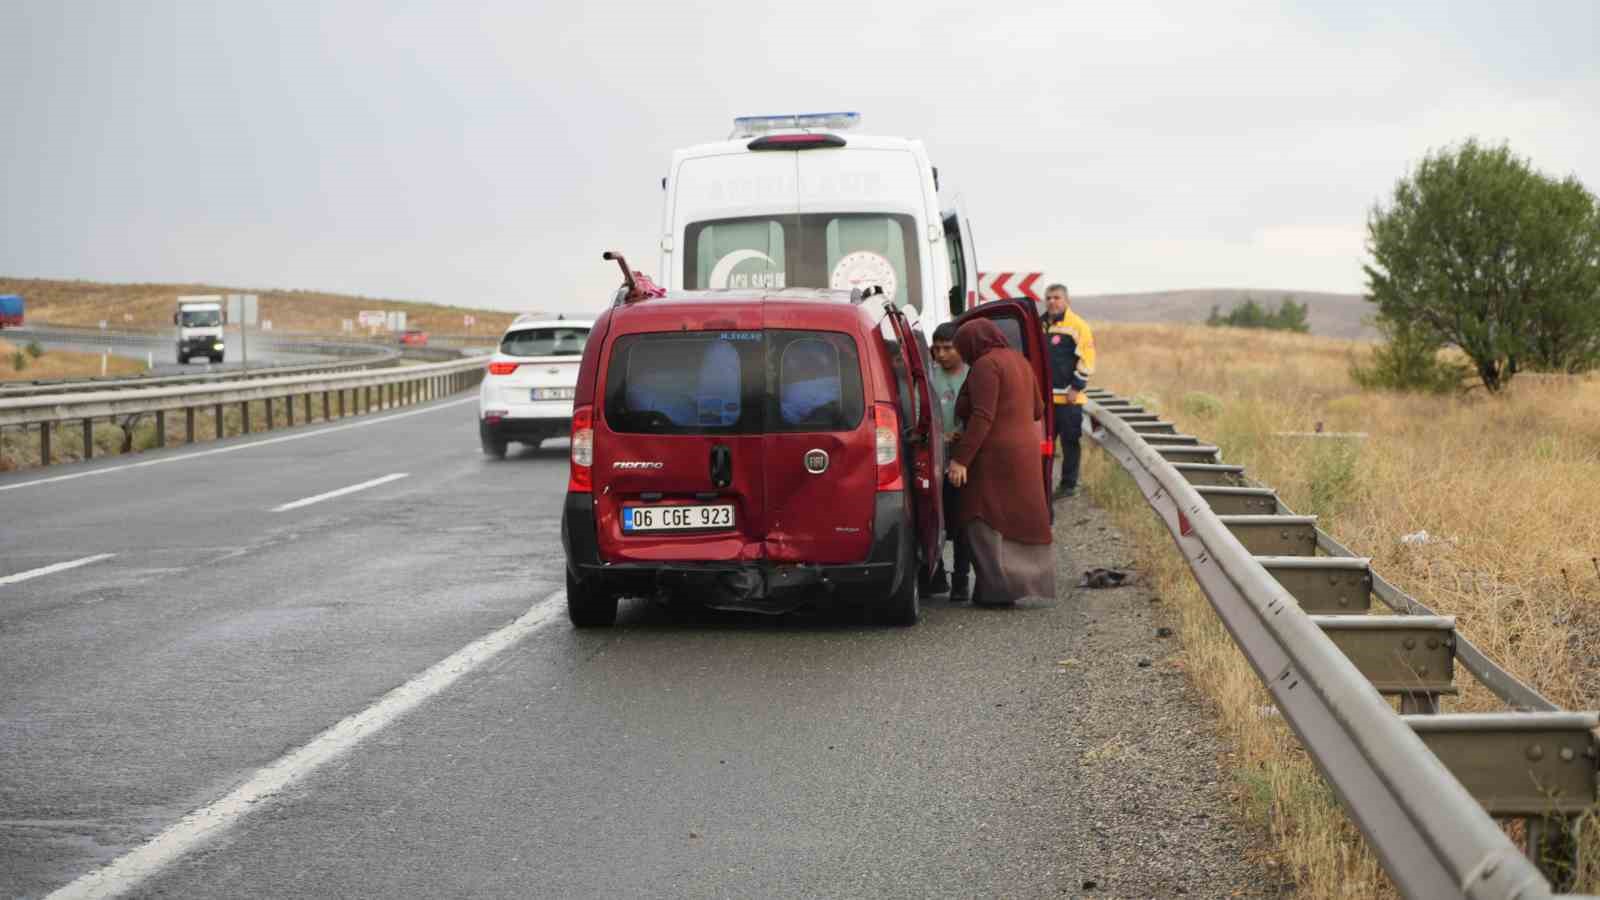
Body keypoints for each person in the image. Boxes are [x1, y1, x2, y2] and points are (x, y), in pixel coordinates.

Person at [946, 319, 1056, 607]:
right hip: (1025, 453)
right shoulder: (1020, 361)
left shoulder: (985, 365)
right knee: (1016, 516)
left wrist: (960, 460)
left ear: (974, 343)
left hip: (992, 456)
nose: (963, 353)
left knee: (981, 515)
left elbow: (983, 416)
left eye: (962, 347)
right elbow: (1037, 410)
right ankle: (1014, 584)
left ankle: (995, 590)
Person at [927, 322, 972, 602]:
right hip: (932, 459)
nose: (941, 354)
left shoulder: (972, 375)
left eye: (948, 348)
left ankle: (961, 580)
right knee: (934, 520)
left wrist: (960, 437)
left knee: (962, 523)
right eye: (937, 348)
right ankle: (935, 575)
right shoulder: (929, 376)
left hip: (963, 460)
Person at [1042, 283, 1096, 499]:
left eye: (1057, 298)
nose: (1052, 301)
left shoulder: (1078, 326)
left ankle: (1068, 486)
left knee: (1070, 442)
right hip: (1045, 399)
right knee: (1044, 444)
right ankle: (1041, 486)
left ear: (1067, 301)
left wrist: (1076, 387)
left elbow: (1088, 360)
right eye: (1049, 298)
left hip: (1069, 398)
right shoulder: (1040, 324)